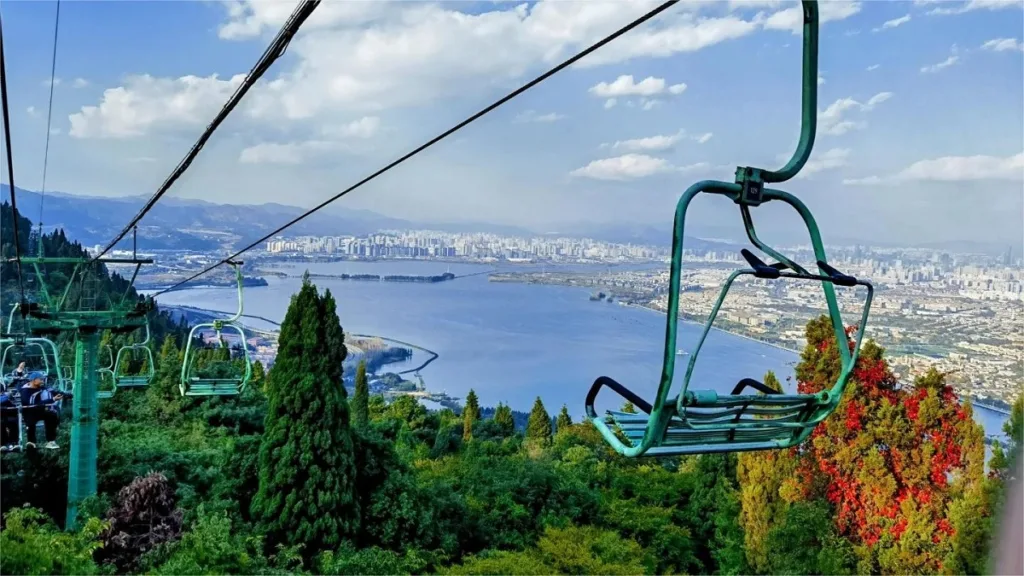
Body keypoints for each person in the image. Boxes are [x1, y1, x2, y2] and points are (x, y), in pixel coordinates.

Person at [19, 371, 65, 449]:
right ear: (33, 380)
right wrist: (53, 399)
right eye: (40, 379)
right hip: (29, 411)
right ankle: (31, 442)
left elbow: (53, 391)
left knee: (51, 415)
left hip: (40, 410)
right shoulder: (25, 391)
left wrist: (65, 395)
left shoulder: (42, 387)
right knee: (30, 422)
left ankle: (51, 441)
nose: (42, 381)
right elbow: (33, 404)